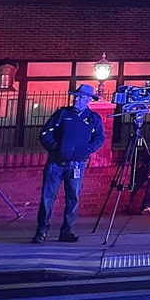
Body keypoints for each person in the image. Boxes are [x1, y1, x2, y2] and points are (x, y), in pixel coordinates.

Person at [33, 84, 106, 244]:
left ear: (88, 100)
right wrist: (56, 149)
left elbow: (100, 138)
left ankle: (67, 231)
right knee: (47, 198)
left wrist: (87, 150)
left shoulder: (93, 118)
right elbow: (45, 133)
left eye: (81, 97)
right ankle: (41, 231)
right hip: (56, 163)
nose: (77, 99)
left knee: (73, 198)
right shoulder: (62, 113)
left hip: (77, 165)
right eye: (76, 96)